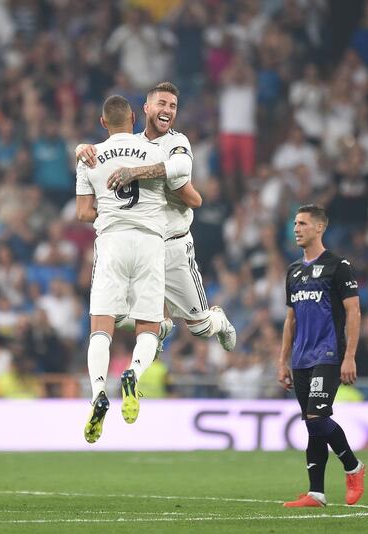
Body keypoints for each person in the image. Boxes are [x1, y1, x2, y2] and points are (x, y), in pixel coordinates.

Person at [76, 95, 201, 444]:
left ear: (103, 123)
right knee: (149, 324)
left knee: (101, 326)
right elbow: (184, 187)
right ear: (134, 117)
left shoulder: (90, 156)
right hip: (150, 242)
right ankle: (132, 373)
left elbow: (84, 214)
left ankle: (99, 392)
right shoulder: (156, 151)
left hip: (113, 240)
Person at [76, 82, 236, 354]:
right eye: (162, 104)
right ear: (145, 108)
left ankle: (218, 320)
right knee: (110, 313)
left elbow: (185, 173)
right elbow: (100, 160)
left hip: (173, 245)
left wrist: (137, 173)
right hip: (140, 241)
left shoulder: (176, 141)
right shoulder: (131, 144)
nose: (167, 110)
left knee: (199, 327)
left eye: (173, 106)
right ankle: (160, 326)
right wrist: (82, 148)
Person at [277, 204, 366, 508]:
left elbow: (354, 311)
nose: (296, 228)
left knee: (316, 418)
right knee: (313, 424)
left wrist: (350, 356)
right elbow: (290, 320)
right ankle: (316, 492)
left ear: (319, 228)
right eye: (295, 223)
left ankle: (354, 467)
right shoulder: (293, 271)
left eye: (302, 223)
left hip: (328, 352)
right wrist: (282, 361)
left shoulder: (338, 265)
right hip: (301, 358)